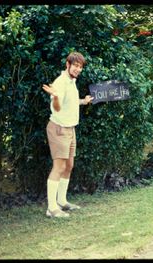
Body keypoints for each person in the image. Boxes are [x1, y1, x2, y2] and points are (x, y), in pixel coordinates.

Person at [42, 52, 93, 218]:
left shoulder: (71, 81)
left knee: (69, 165)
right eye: (75, 65)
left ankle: (62, 201)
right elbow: (57, 107)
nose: (78, 69)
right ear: (68, 64)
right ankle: (51, 208)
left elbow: (68, 102)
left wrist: (83, 101)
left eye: (80, 67)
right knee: (59, 167)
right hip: (59, 128)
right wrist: (55, 96)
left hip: (70, 129)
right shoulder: (61, 82)